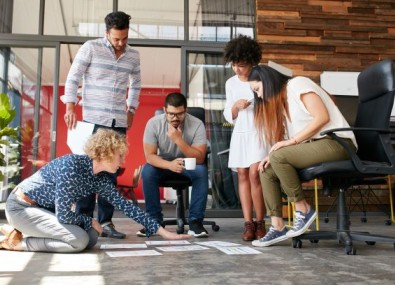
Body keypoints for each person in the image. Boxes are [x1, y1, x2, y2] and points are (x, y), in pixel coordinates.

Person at [0, 129, 190, 252]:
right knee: (79, 241)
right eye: (119, 156)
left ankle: (23, 233)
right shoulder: (72, 166)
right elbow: (64, 217)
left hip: (44, 212)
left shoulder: (99, 180)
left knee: (90, 237)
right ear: (105, 153)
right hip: (22, 208)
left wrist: (163, 232)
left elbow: (126, 206)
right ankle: (19, 243)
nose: (122, 161)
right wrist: (89, 219)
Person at [248, 65, 357, 247]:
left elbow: (322, 117)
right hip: (317, 146)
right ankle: (277, 226)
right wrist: (273, 154)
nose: (258, 96)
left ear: (267, 80)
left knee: (278, 156)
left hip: (338, 143)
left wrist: (288, 144)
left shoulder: (297, 84)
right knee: (266, 169)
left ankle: (303, 209)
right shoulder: (283, 105)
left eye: (257, 89)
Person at [62, 11, 141, 239]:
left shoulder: (133, 56)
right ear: (106, 33)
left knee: (111, 173)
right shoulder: (91, 48)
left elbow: (136, 84)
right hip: (92, 120)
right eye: (116, 39)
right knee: (88, 171)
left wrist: (132, 108)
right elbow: (74, 76)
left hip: (117, 120)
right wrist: (69, 106)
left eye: (124, 38)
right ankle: (85, 220)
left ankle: (106, 222)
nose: (120, 43)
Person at [138, 92, 209, 238]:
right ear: (164, 110)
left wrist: (178, 140)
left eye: (179, 114)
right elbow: (150, 156)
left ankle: (195, 222)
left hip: (187, 162)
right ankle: (154, 222)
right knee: (147, 172)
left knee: (201, 171)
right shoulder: (153, 124)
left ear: (186, 110)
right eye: (171, 114)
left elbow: (200, 158)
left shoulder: (197, 124)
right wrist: (169, 165)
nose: (175, 118)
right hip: (164, 163)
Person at [223, 35, 268, 241]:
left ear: (251, 61)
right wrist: (235, 107)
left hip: (258, 132)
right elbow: (227, 113)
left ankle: (261, 222)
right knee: (241, 174)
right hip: (240, 132)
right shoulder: (230, 83)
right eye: (234, 65)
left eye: (241, 65)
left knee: (254, 175)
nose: (237, 69)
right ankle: (248, 223)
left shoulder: (262, 77)